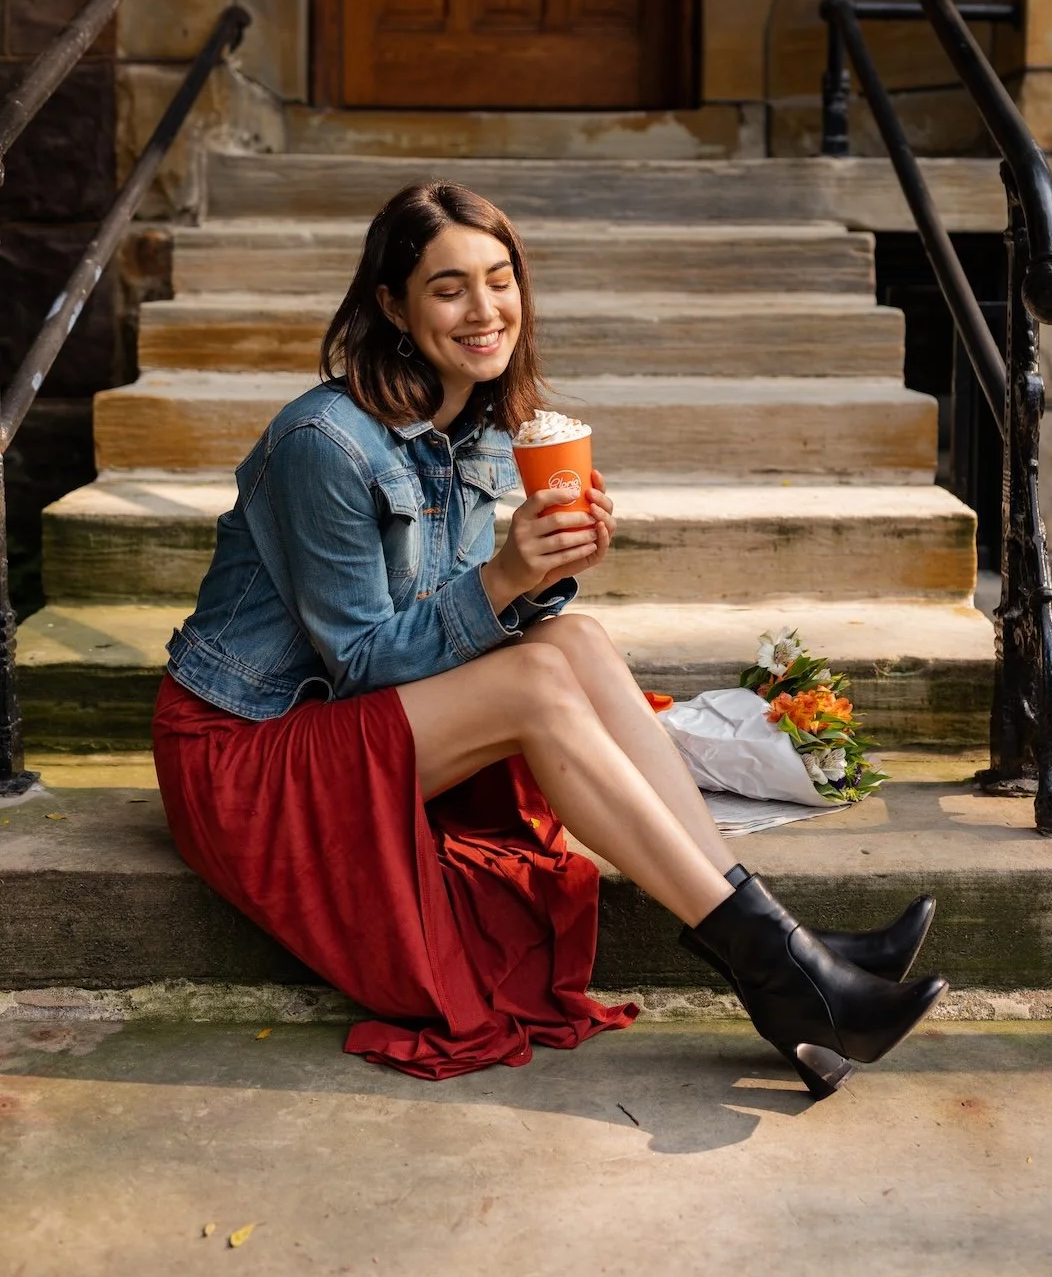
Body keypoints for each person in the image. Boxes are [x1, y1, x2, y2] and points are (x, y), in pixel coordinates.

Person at [154, 181, 946, 1094]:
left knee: (575, 640)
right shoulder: (324, 444)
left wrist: (539, 577)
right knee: (533, 683)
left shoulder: (474, 429)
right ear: (393, 306)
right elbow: (364, 667)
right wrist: (501, 578)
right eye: (448, 288)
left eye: (500, 280)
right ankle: (783, 974)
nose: (483, 310)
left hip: (342, 731)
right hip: (245, 758)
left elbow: (446, 624)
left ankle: (782, 943)